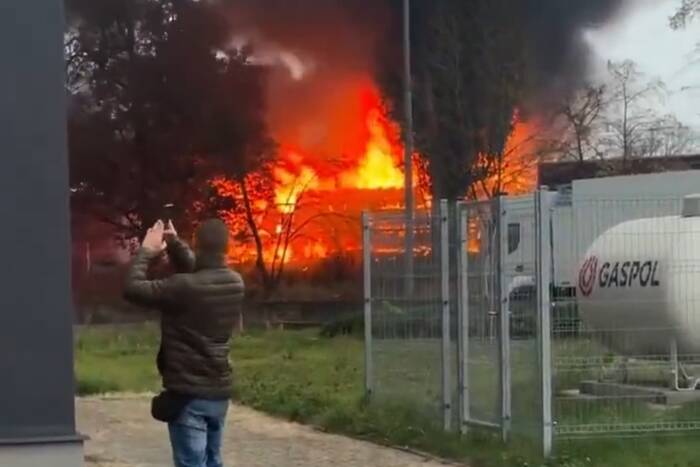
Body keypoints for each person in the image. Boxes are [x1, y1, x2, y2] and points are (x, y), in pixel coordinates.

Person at [123, 218, 244, 467]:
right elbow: (202, 275)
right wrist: (175, 244)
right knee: (213, 461)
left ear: (198, 246)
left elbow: (133, 288)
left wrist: (147, 250)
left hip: (188, 395)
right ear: (226, 248)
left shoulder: (184, 287)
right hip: (218, 393)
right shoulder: (235, 283)